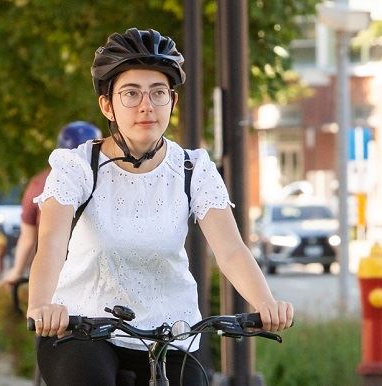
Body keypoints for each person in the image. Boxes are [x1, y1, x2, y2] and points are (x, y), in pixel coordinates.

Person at [27, 28, 294, 386]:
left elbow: (230, 250)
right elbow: (52, 244)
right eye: (131, 94)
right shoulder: (77, 167)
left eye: (158, 93)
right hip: (82, 329)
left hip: (173, 330)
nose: (146, 106)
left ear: (173, 101)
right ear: (107, 105)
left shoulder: (193, 169)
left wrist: (265, 302)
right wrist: (43, 305)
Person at [0, 121, 102, 285]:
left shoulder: (40, 183)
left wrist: (16, 272)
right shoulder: (109, 181)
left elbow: (28, 237)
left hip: (54, 276)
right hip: (96, 276)